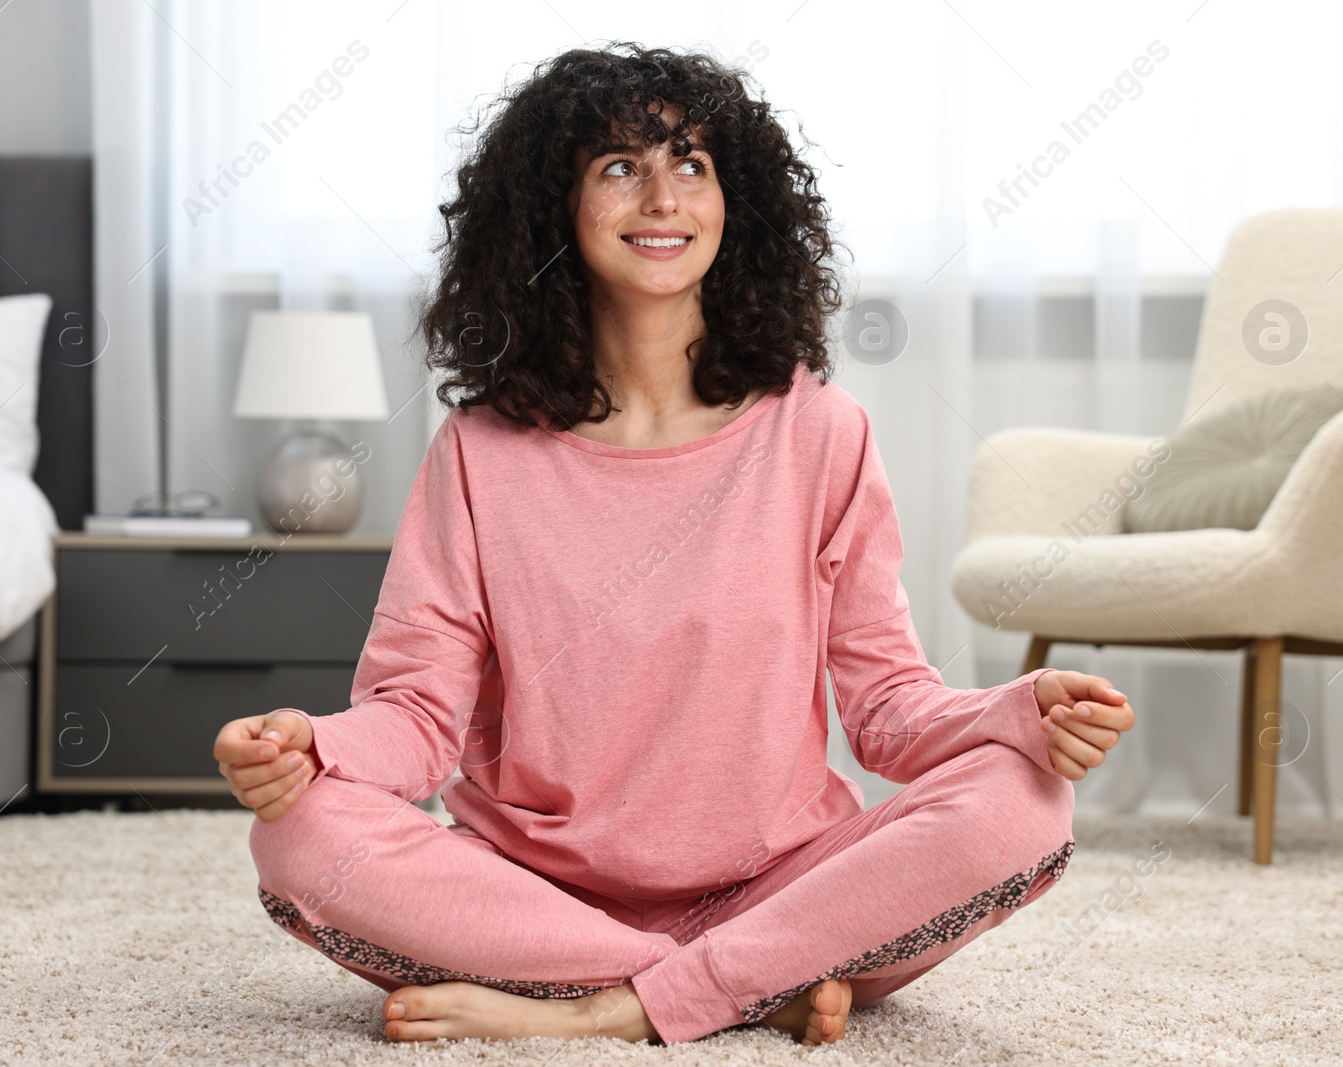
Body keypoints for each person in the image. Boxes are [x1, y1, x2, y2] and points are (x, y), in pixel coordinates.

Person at [212, 42, 1135, 1048]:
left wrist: (1013, 713)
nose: (662, 197)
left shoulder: (820, 431)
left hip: (781, 882)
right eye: (619, 167)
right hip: (535, 896)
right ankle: (744, 984)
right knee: (301, 831)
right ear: (550, 211)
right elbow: (419, 714)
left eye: (690, 164)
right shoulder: (479, 450)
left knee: (1022, 798)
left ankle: (603, 1006)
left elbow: (885, 709)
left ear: (733, 203)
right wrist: (316, 744)